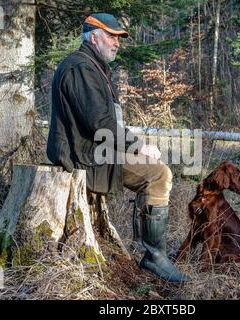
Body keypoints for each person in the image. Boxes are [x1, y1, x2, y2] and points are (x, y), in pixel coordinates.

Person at [46, 13, 190, 282]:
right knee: (159, 174)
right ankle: (154, 257)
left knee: (158, 172)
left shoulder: (93, 67)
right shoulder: (81, 68)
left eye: (118, 38)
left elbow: (104, 123)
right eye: (111, 36)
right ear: (93, 37)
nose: (117, 43)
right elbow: (100, 124)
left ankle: (152, 253)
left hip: (95, 150)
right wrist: (138, 147)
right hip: (84, 156)